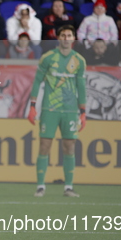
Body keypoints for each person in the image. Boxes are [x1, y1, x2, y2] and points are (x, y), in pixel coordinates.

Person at [27, 25, 86, 198]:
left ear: (73, 38)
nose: (66, 38)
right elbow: (37, 81)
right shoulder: (48, 58)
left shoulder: (79, 61)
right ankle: (40, 186)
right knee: (45, 145)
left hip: (69, 110)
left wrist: (83, 111)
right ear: (58, 38)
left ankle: (68, 187)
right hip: (49, 108)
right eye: (63, 35)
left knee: (70, 147)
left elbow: (81, 87)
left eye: (69, 35)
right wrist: (32, 106)